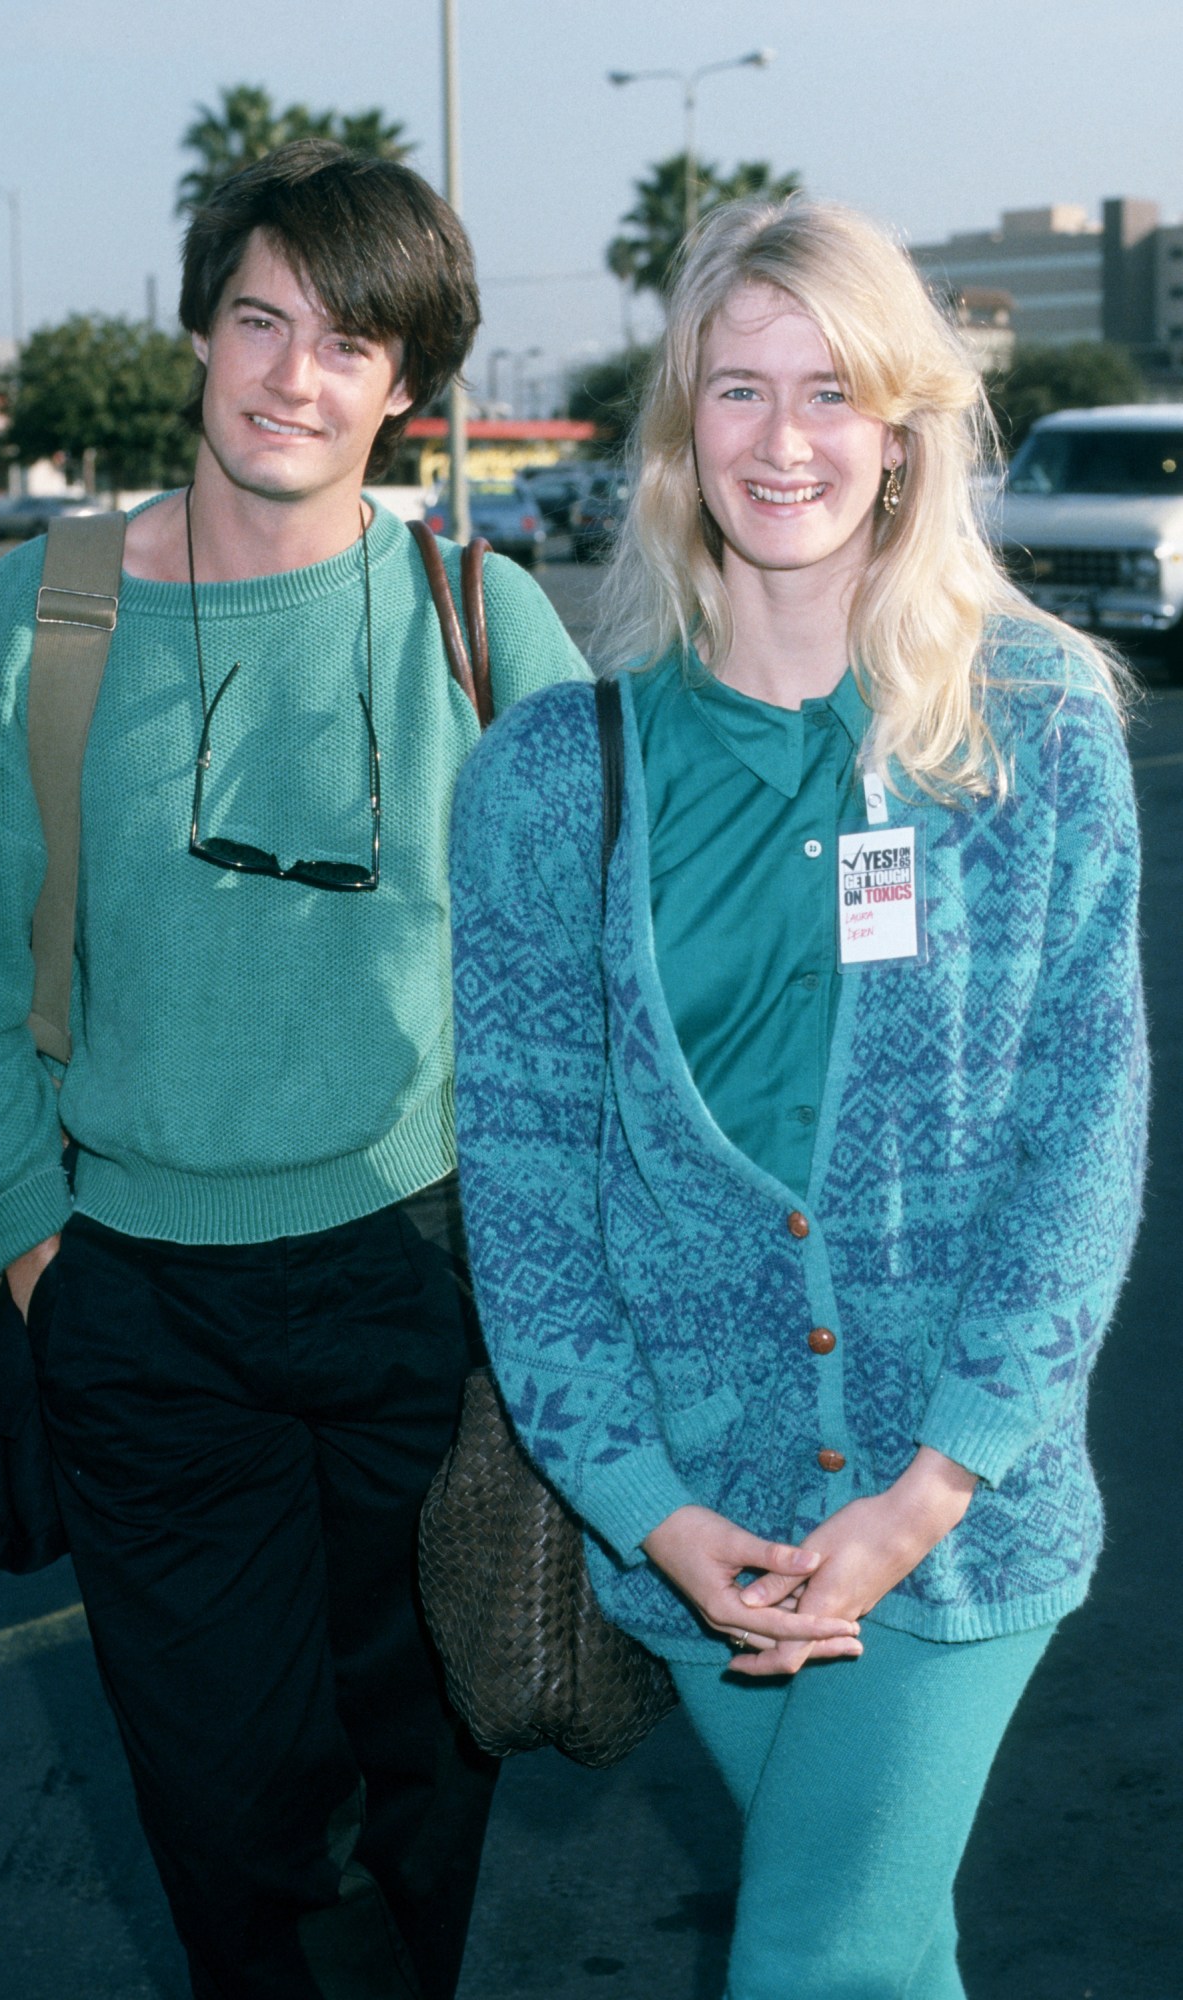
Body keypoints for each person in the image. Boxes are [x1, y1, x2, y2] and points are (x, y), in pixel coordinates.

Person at [449, 195, 1147, 2000]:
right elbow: (527, 1181)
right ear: (683, 432)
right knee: (877, 1950)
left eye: (833, 391)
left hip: (954, 1506)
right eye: (741, 391)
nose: (787, 440)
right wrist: (654, 1513)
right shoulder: (550, 777)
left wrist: (926, 1492)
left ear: (904, 430)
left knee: (812, 1959)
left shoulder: (1039, 729)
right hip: (703, 1529)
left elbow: (1088, 1127)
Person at [0, 140, 587, 2000]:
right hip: (139, 1305)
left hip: (422, 1276)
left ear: (406, 388)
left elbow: (579, 997)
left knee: (421, 1798)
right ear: (199, 330)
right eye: (261, 319)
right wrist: (28, 1235)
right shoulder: (38, 616)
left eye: (350, 341)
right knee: (240, 1824)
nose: (291, 376)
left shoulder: (487, 626)